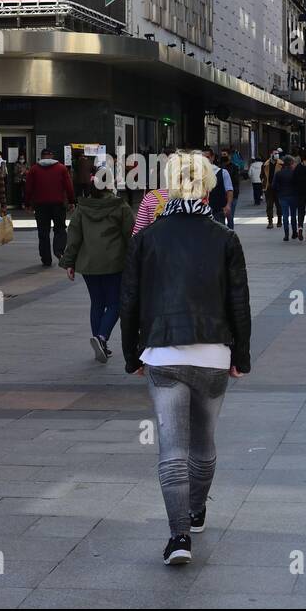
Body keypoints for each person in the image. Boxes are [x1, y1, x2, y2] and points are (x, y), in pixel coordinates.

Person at [120, 150, 252, 566]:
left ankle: (178, 537)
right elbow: (239, 303)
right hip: (213, 352)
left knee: (172, 447)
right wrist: (240, 356)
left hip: (162, 352)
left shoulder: (147, 238)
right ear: (209, 186)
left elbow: (130, 301)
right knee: (204, 442)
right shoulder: (225, 238)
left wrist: (131, 354)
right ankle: (196, 511)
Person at [60, 185, 134, 363]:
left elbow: (74, 236)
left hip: (88, 264)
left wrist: (69, 262)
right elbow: (130, 234)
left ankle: (100, 342)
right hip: (114, 262)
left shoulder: (82, 208)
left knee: (97, 302)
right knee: (115, 303)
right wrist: (134, 260)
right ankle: (101, 338)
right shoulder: (121, 207)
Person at [24, 148, 76, 268]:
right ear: (52, 156)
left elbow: (28, 188)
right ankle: (59, 250)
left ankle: (46, 259)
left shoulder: (34, 169)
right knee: (60, 229)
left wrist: (27, 203)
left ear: (41, 156)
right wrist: (72, 201)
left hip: (40, 205)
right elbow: (69, 186)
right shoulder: (61, 168)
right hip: (58, 204)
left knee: (43, 232)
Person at [201, 147, 234, 227]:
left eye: (207, 157)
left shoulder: (222, 172)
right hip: (201, 211)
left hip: (218, 210)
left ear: (213, 157)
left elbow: (229, 190)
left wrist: (228, 205)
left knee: (218, 234)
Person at [272, 155, 298, 241]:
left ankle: (286, 234)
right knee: (293, 215)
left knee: (285, 215)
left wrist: (279, 191)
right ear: (291, 163)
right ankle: (294, 232)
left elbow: (274, 186)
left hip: (283, 196)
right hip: (293, 195)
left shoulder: (278, 173)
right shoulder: (295, 173)